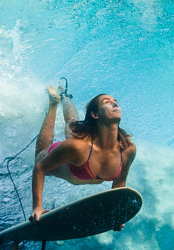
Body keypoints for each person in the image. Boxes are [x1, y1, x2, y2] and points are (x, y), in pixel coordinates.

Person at [30, 86, 137, 223]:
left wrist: (116, 215)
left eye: (115, 101)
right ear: (95, 114)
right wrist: (37, 208)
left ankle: (65, 96)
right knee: (40, 155)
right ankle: (53, 105)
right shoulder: (77, 146)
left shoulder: (128, 150)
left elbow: (120, 182)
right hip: (65, 158)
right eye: (106, 102)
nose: (114, 103)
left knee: (73, 125)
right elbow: (39, 168)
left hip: (83, 148)